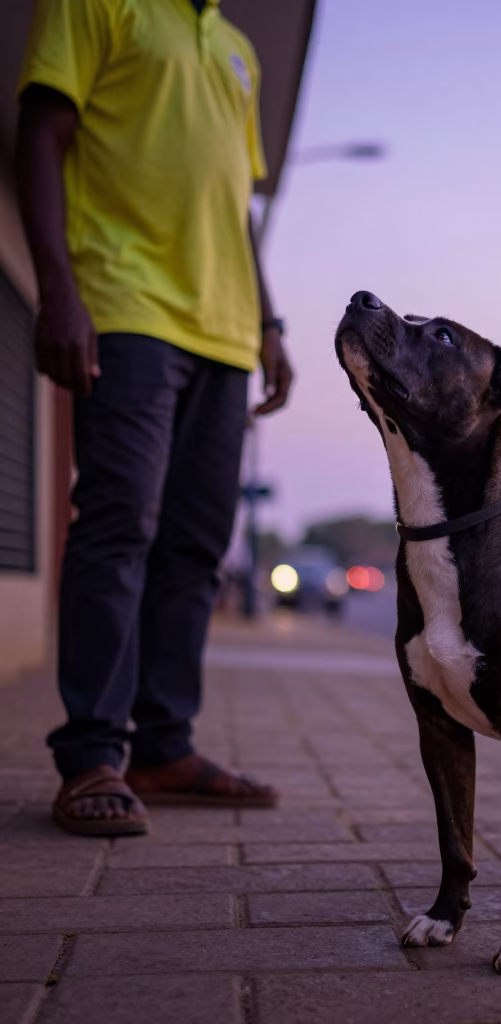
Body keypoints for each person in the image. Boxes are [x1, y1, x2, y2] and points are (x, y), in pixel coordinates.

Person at [16, 0, 294, 836]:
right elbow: (38, 134)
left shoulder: (239, 50)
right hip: (126, 305)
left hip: (224, 330)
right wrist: (56, 288)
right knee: (119, 519)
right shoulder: (99, 5)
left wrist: (269, 324)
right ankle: (94, 753)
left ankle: (165, 745)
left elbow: (233, 206)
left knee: (197, 543)